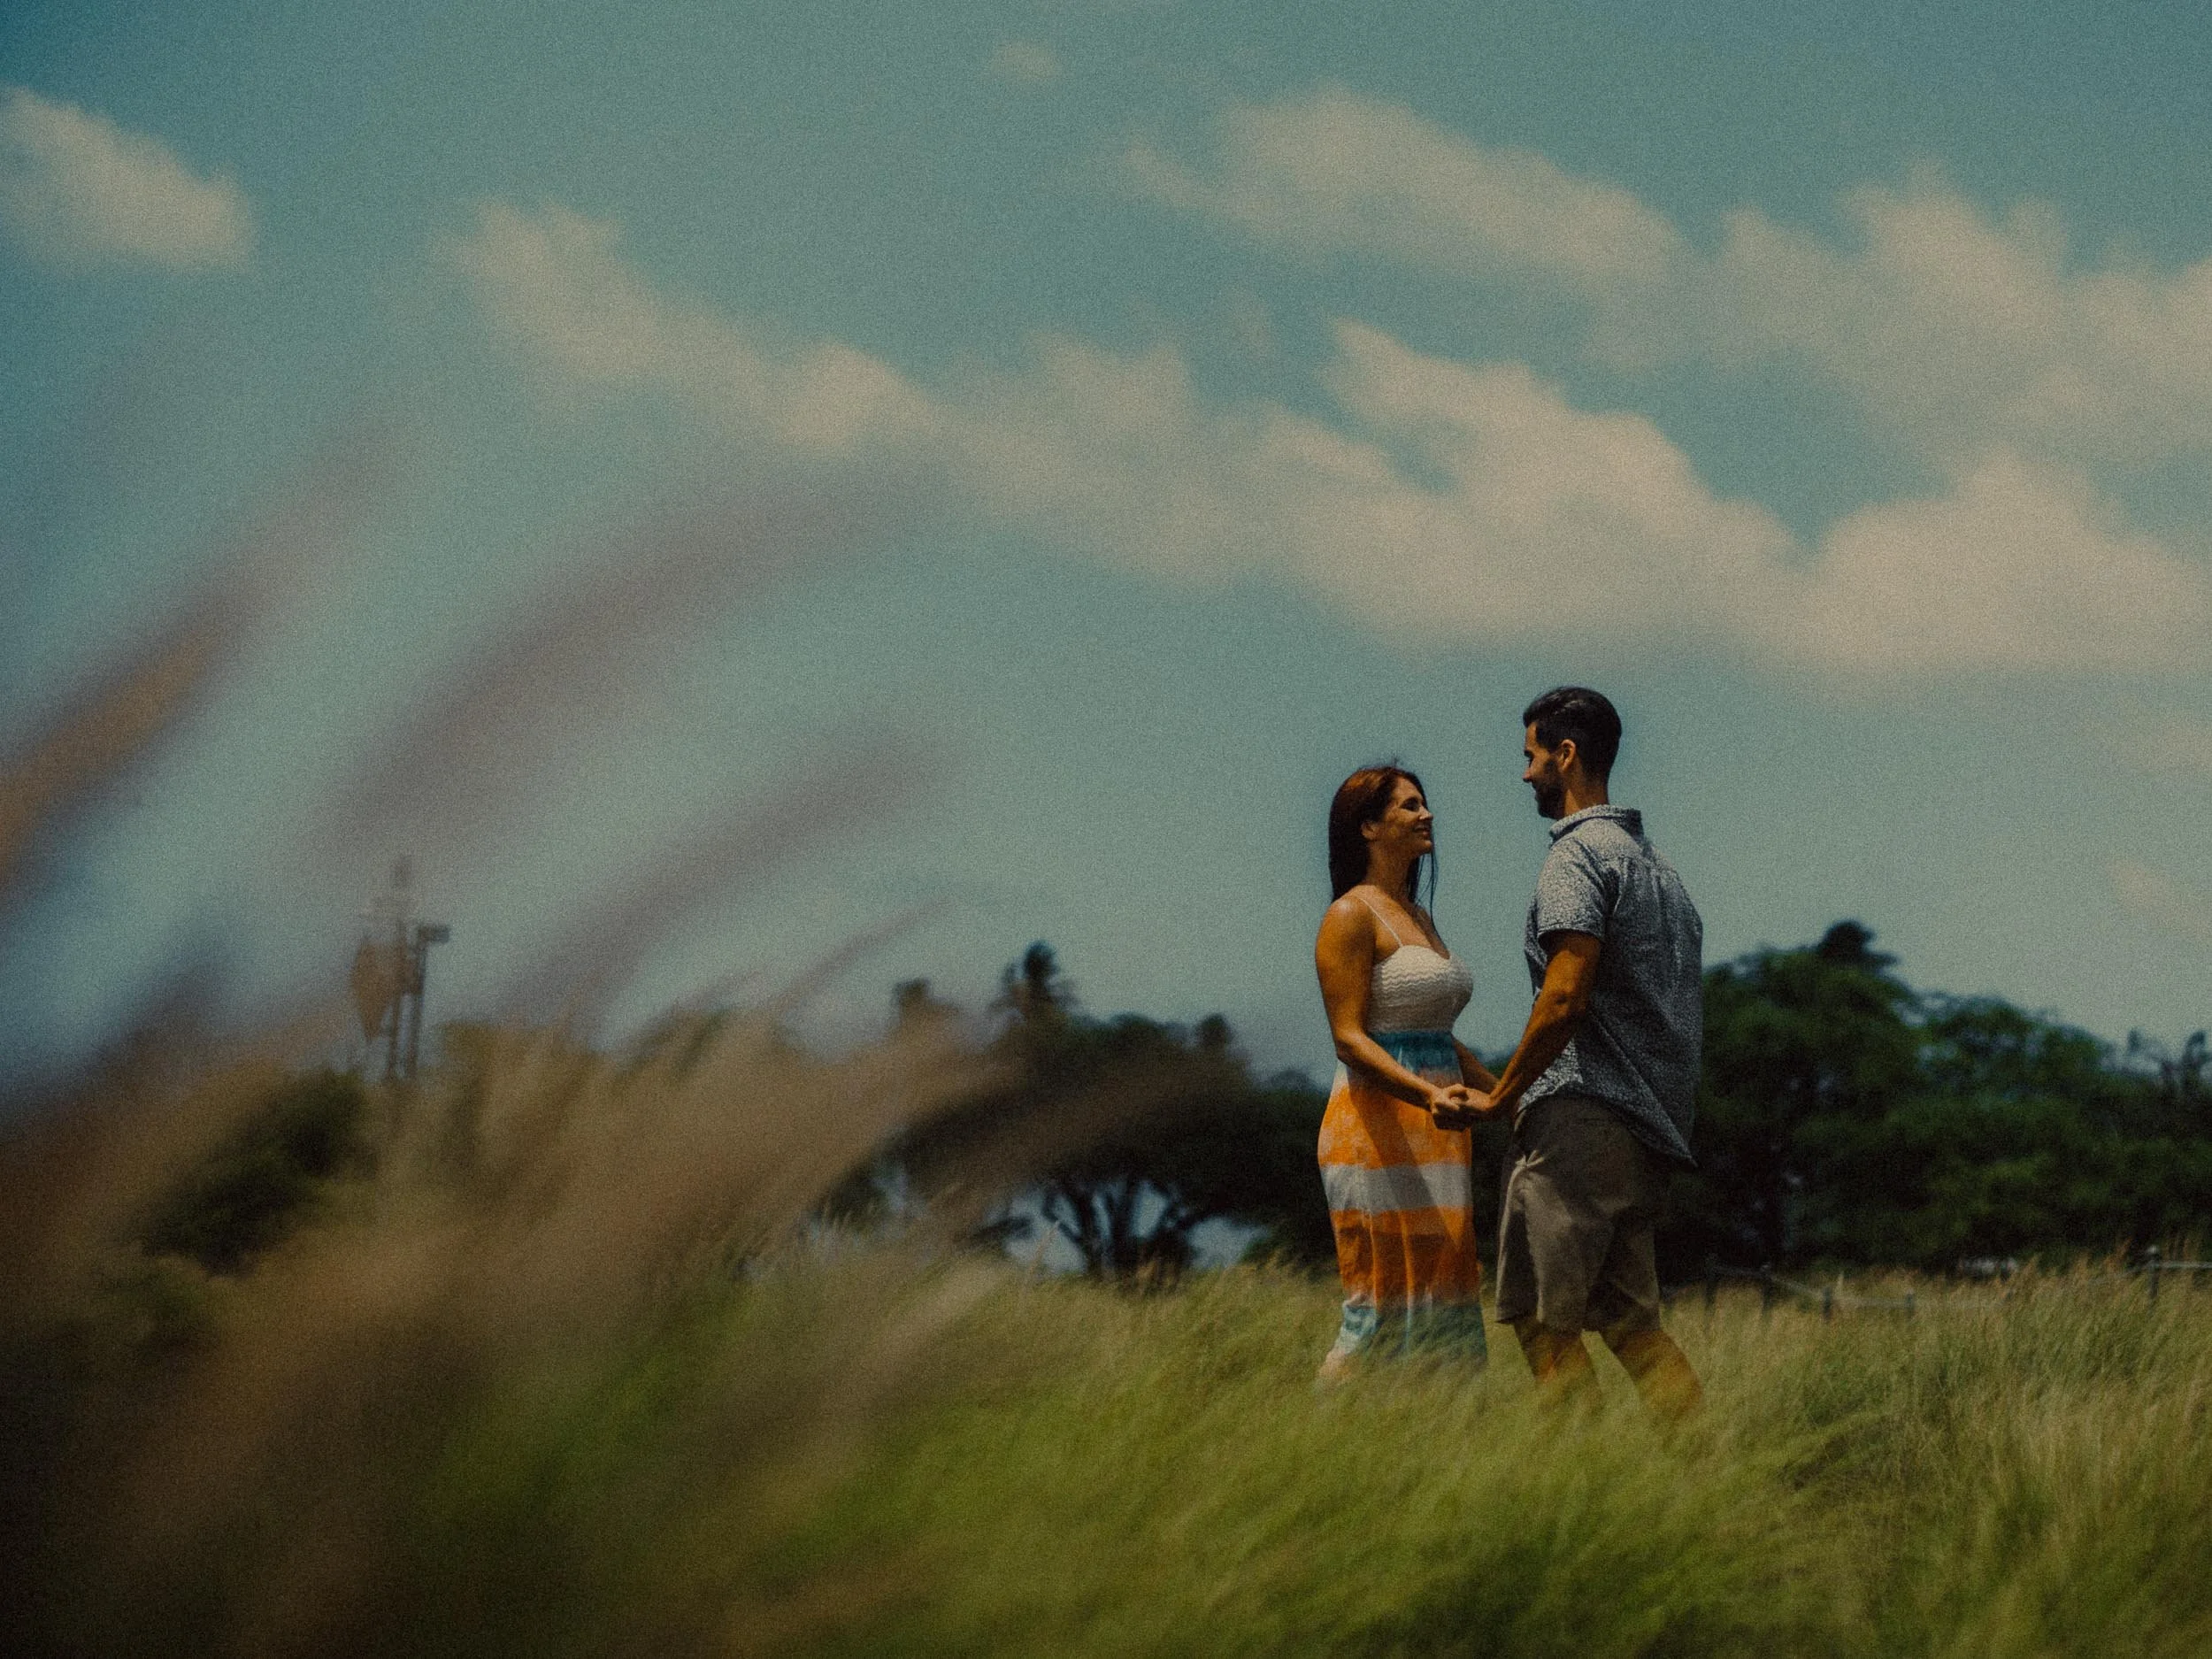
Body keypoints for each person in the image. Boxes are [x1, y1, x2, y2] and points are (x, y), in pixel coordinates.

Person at [1449, 687, 1705, 1419]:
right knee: (1635, 1330)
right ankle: (1703, 1485)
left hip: (1578, 1128)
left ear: (1565, 755)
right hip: (1645, 1135)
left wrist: (1502, 1097)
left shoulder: (1575, 857)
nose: (1525, 774)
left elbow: (1565, 995)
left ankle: (1583, 1497)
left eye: (1531, 756)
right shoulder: (1661, 873)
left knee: (1540, 1320)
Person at [1312, 764, 1494, 1379]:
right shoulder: (1349, 916)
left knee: (1445, 1299)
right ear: (1368, 825)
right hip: (1376, 1124)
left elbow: (1441, 1037)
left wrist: (1512, 1097)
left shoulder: (1421, 915)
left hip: (1441, 1134)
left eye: (1425, 804)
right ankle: (1318, 1442)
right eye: (1409, 806)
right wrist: (1427, 1094)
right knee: (1380, 1302)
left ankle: (1433, 1447)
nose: (1427, 815)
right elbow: (1349, 1039)